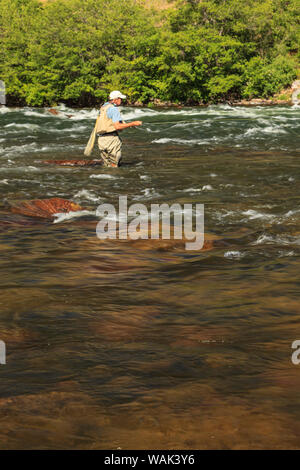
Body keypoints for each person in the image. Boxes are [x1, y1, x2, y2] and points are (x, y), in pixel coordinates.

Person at [96, 90, 142, 167]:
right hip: (111, 140)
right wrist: (133, 123)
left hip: (101, 140)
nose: (121, 100)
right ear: (116, 99)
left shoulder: (103, 107)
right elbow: (117, 126)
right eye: (120, 99)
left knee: (107, 165)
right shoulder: (114, 109)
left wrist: (128, 124)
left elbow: (107, 122)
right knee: (114, 165)